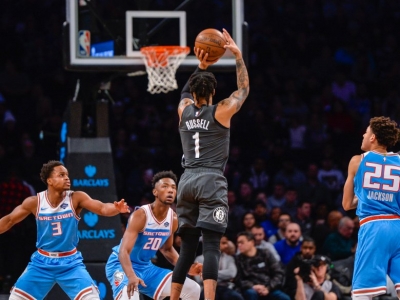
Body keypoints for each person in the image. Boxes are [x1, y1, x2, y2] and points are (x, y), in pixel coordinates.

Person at [171, 28, 250, 300]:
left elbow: (183, 93)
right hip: (210, 180)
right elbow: (243, 89)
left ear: (192, 91)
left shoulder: (183, 110)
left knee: (188, 248)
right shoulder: (221, 110)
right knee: (213, 245)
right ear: (214, 90)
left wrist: (201, 65)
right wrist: (237, 56)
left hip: (186, 181)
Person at [0, 160, 130, 300]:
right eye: (61, 175)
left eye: (67, 175)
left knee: (92, 298)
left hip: (70, 263)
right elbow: (9, 220)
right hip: (41, 263)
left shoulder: (76, 198)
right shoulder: (35, 202)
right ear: (49, 180)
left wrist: (116, 208)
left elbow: (102, 208)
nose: (67, 178)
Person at [105, 170, 201, 300]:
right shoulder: (141, 215)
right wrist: (131, 276)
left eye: (173, 187)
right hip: (121, 265)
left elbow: (167, 249)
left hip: (146, 268)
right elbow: (124, 251)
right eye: (165, 186)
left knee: (193, 289)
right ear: (155, 192)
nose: (170, 190)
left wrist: (187, 267)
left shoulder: (172, 218)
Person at [342, 116, 400, 299]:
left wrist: (368, 193)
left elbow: (347, 204)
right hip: (397, 226)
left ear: (373, 137)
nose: (363, 134)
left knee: (362, 292)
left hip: (373, 226)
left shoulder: (357, 161)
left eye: (366, 132)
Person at [235, 231, 290, 300]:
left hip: (269, 287)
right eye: (238, 243)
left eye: (242, 242)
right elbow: (238, 279)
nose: (239, 245)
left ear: (251, 242)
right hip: (251, 289)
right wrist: (253, 286)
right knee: (251, 293)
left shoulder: (265, 253)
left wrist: (269, 288)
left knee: (285, 298)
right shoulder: (238, 259)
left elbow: (278, 273)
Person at [195, 235, 244, 300]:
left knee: (237, 297)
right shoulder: (200, 259)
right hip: (206, 288)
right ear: (214, 243)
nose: (226, 246)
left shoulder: (229, 258)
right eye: (223, 243)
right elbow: (199, 279)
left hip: (225, 287)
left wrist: (209, 274)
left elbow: (232, 273)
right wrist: (224, 277)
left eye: (226, 243)